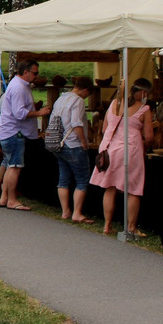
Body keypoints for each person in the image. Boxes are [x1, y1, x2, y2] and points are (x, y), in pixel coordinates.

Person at [90, 79, 154, 236]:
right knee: (133, 189)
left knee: (110, 187)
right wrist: (145, 145)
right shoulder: (144, 109)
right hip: (130, 150)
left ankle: (107, 225)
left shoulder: (114, 104)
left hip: (109, 149)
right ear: (143, 93)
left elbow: (104, 129)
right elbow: (149, 136)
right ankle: (131, 227)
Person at [0, 60, 51, 211]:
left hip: (10, 132)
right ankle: (12, 200)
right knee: (15, 167)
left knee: (10, 165)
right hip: (15, 132)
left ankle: (4, 197)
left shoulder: (19, 85)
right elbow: (19, 113)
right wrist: (39, 113)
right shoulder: (19, 88)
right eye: (35, 73)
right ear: (25, 72)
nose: (36, 76)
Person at [51, 76, 95, 223]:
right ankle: (77, 213)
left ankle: (65, 211)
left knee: (63, 179)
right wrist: (84, 141)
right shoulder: (78, 101)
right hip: (73, 144)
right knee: (82, 179)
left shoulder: (61, 98)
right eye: (88, 94)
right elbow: (76, 123)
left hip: (59, 143)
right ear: (86, 90)